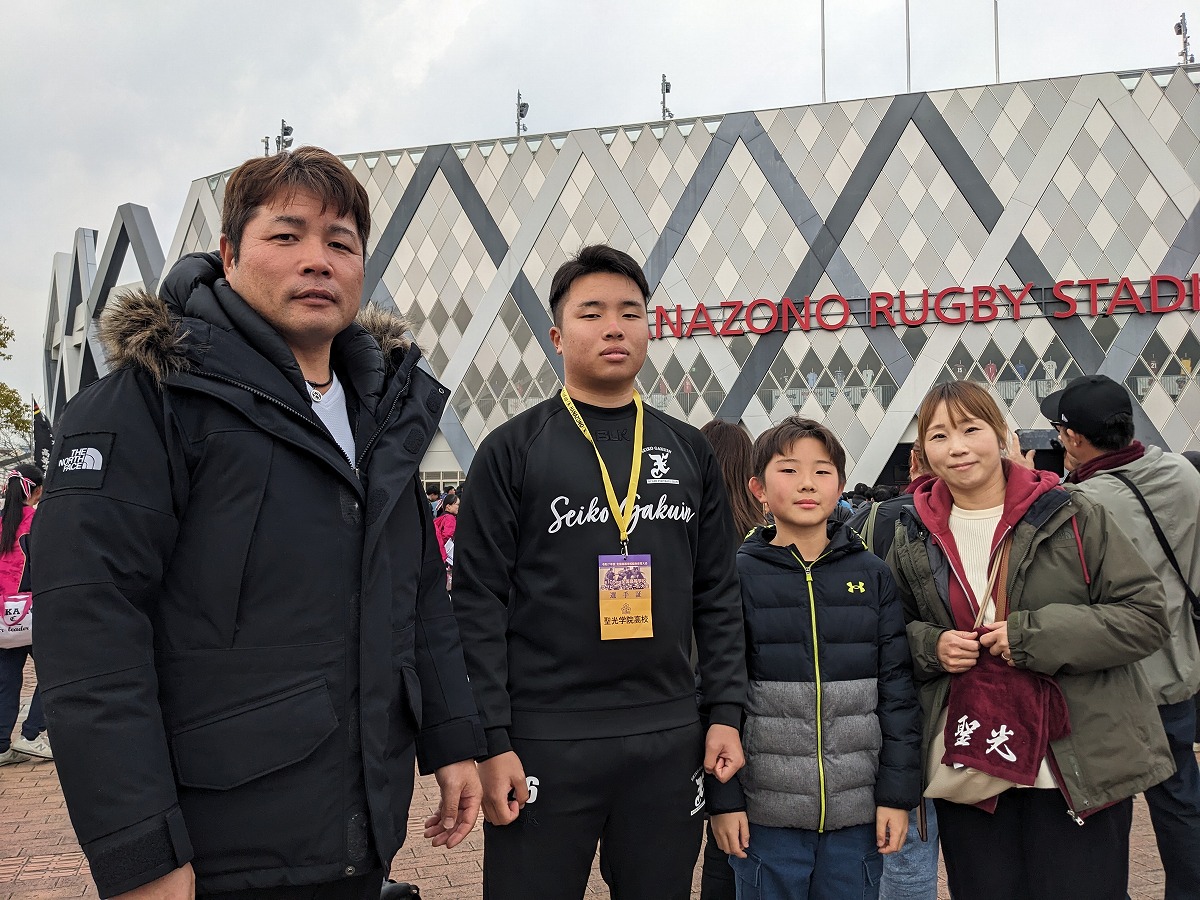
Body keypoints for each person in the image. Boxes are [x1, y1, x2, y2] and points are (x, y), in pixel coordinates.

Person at [31, 146, 484, 900]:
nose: (318, 260)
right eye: (287, 236)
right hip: (218, 851)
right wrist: (140, 852)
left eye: (340, 243)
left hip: (362, 833)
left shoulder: (385, 414)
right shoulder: (148, 403)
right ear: (230, 254)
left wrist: (453, 740)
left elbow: (418, 597)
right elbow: (91, 633)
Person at [453, 244, 747, 900]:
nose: (614, 326)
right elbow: (477, 603)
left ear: (650, 327)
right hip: (543, 737)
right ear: (557, 336)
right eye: (592, 313)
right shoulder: (512, 450)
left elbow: (718, 594)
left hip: (668, 736)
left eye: (630, 312)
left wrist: (725, 711)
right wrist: (491, 739)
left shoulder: (687, 449)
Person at [889, 379, 1171, 900]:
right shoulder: (911, 532)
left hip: (1074, 758)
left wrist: (1031, 635)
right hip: (974, 760)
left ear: (1002, 435)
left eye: (971, 429)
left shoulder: (1071, 512)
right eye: (938, 435)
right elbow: (889, 636)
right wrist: (933, 646)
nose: (956, 447)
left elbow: (1146, 616)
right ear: (922, 450)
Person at [708, 417, 920, 900]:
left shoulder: (871, 575)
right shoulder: (735, 578)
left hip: (857, 814)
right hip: (765, 817)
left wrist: (896, 796)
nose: (807, 483)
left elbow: (898, 695)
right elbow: (716, 696)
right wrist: (724, 802)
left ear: (840, 485)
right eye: (789, 470)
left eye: (822, 472)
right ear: (758, 488)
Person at [1041, 374, 1200, 900]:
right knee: (1181, 801)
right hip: (1177, 671)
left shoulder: (1077, 503)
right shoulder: (1183, 473)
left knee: (1107, 811)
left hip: (1113, 684)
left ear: (1073, 438)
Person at [846, 450, 939, 900]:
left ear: (914, 461)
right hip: (959, 708)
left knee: (903, 858)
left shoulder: (877, 519)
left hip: (890, 709)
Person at [698, 419, 766, 900]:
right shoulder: (761, 539)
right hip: (751, 700)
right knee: (744, 834)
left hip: (693, 693)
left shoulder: (687, 531)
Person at [0, 465, 51, 764]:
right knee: (57, 671)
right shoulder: (39, 521)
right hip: (33, 613)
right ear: (36, 490)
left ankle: (2, 744)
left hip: (3, 619)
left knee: (5, 679)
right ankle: (31, 734)